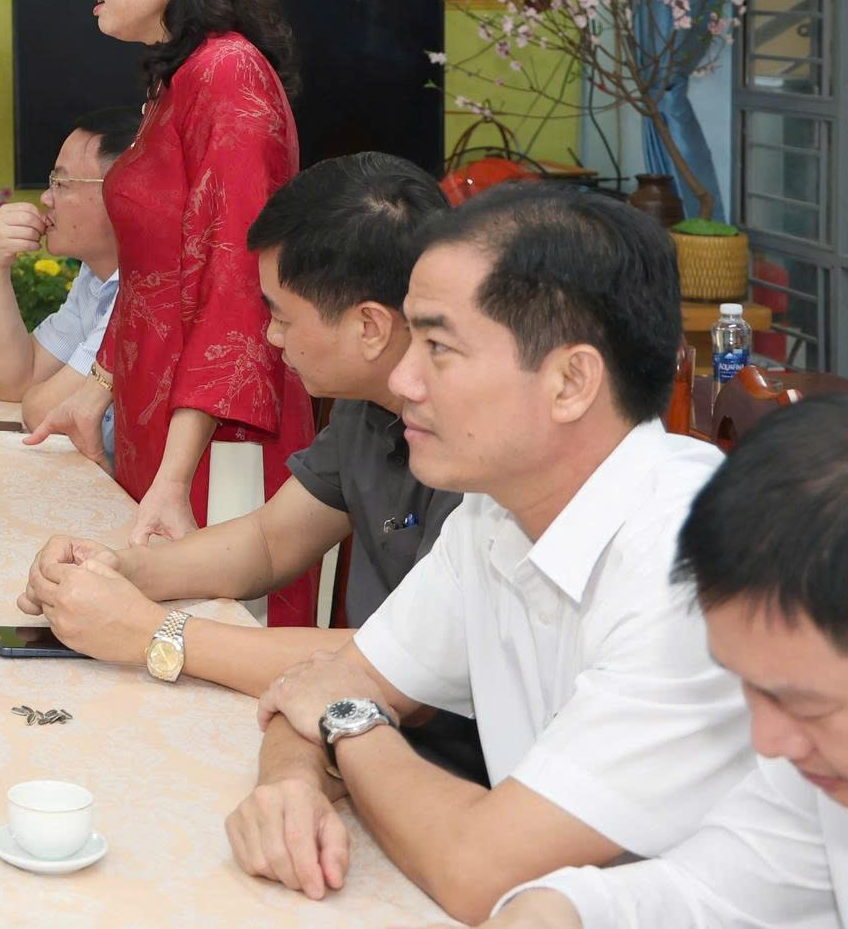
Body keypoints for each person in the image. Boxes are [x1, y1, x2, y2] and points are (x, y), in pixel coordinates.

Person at [230, 182, 752, 922]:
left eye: (438, 347)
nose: (403, 379)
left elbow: (476, 867)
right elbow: (329, 681)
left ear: (570, 381)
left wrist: (345, 723)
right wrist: (290, 783)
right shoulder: (495, 512)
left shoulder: (689, 565)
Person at [17, 152, 487, 778]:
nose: (270, 337)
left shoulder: (480, 450)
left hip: (445, 771)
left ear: (370, 327)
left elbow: (405, 665)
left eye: (281, 315)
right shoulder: (368, 405)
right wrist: (120, 569)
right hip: (350, 738)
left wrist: (154, 632)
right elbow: (270, 541)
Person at [471, 395, 848, 928]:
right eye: (750, 689)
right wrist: (558, 910)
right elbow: (707, 891)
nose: (768, 741)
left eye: (809, 706)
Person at [26, 0, 319, 618]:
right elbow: (154, 276)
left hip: (220, 439)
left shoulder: (229, 75)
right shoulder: (178, 77)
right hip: (162, 418)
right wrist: (97, 390)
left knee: (201, 648)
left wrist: (174, 476)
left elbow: (236, 287)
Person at [0, 108, 141, 452]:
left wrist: (39, 396)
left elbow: (42, 411)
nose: (46, 198)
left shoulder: (142, 287)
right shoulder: (95, 275)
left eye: (61, 183)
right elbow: (15, 382)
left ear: (120, 195)